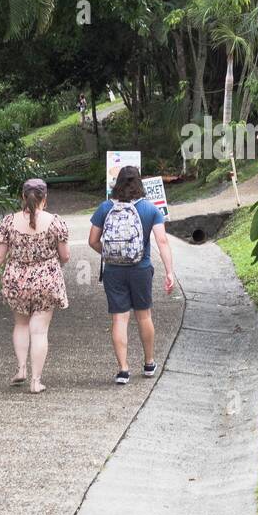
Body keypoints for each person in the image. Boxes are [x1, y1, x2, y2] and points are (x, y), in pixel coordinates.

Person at [88, 164, 175, 385]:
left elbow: (92, 241)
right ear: (140, 183)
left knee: (119, 318)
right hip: (141, 269)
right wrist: (169, 271)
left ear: (117, 183)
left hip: (114, 272)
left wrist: (109, 254)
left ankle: (123, 370)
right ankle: (148, 363)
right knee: (144, 316)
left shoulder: (105, 207)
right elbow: (162, 241)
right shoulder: (150, 209)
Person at [0, 178, 70, 394]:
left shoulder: (8, 222)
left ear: (23, 196)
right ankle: (35, 381)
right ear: (45, 198)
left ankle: (21, 368)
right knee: (39, 331)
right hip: (46, 281)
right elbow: (65, 256)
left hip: (16, 279)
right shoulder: (55, 222)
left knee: (21, 325)